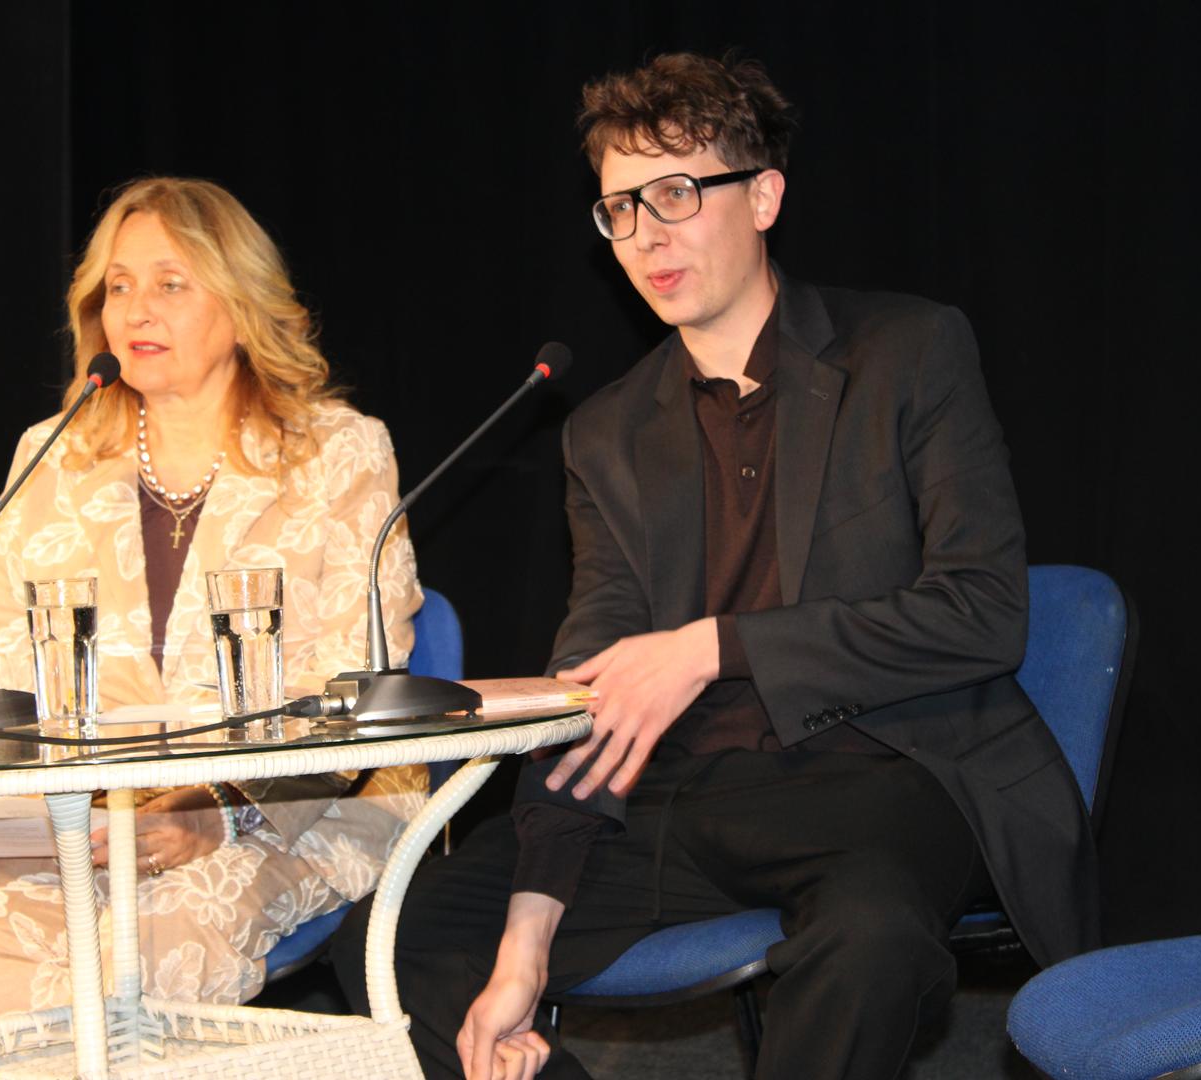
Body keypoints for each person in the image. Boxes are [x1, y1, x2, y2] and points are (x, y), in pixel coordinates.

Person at [333, 52, 1096, 1080]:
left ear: (764, 197)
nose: (646, 235)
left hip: (882, 772)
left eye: (677, 194)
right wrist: (525, 945)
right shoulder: (607, 433)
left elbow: (983, 613)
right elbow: (592, 686)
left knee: (867, 937)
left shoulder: (907, 353)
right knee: (395, 940)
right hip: (683, 794)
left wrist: (711, 648)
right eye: (619, 209)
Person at [0, 177, 426, 1025]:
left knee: (144, 948)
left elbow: (355, 695)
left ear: (241, 304)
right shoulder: (52, 454)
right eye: (119, 286)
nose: (137, 310)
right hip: (79, 816)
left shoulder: (339, 452)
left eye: (172, 284)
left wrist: (216, 813)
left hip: (288, 810)